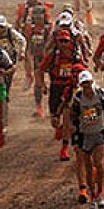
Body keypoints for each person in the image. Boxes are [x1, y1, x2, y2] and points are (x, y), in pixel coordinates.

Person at [40, 29, 86, 161]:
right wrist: (43, 84)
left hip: (70, 87)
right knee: (54, 119)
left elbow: (83, 69)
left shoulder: (75, 55)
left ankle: (64, 148)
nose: (63, 43)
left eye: (66, 41)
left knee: (67, 117)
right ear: (57, 42)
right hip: (56, 87)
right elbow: (41, 69)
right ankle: (59, 127)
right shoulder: (52, 55)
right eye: (61, 41)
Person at [71, 70, 104, 209]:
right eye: (84, 84)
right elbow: (73, 118)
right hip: (84, 135)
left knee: (98, 164)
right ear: (81, 85)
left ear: (92, 82)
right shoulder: (78, 97)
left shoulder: (101, 94)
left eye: (88, 83)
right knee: (88, 167)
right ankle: (93, 195)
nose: (86, 87)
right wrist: (75, 140)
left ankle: (100, 193)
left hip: (99, 132)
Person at [15, 0, 53, 118]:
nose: (37, 19)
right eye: (35, 17)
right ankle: (39, 107)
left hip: (51, 58)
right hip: (39, 58)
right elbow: (28, 44)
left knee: (53, 81)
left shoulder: (51, 30)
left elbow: (53, 43)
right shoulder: (30, 29)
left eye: (39, 17)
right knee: (38, 82)